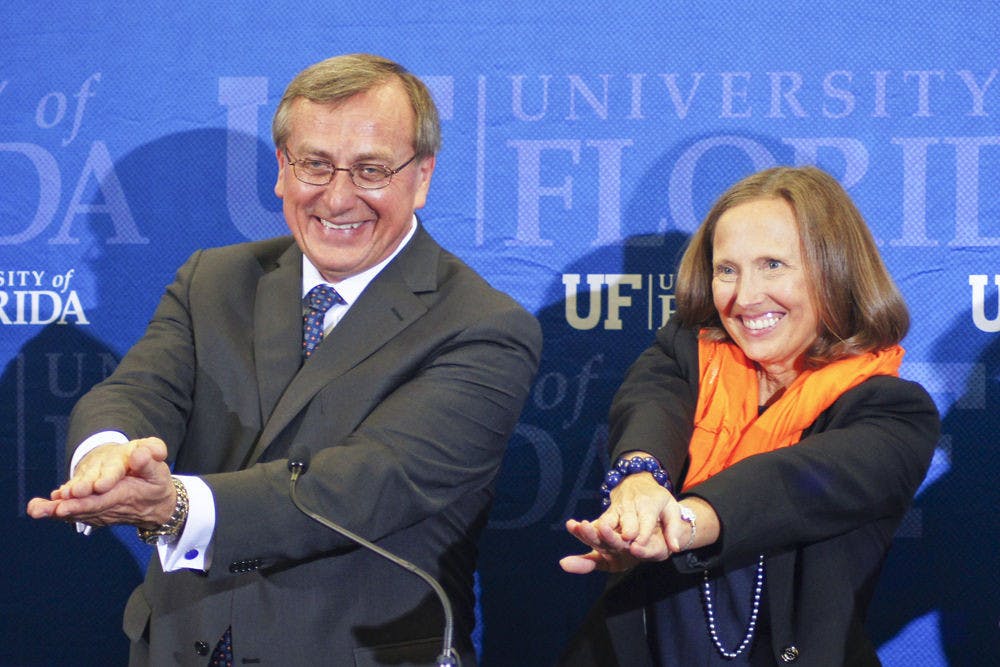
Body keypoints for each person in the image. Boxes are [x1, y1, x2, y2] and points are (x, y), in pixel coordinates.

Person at [27, 53, 541, 666]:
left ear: (422, 176)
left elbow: (365, 485)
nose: (338, 198)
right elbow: (139, 390)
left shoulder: (482, 326)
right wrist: (108, 454)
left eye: (371, 170)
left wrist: (177, 506)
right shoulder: (213, 280)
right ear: (282, 168)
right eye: (315, 165)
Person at [558, 166, 939, 665]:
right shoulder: (685, 354)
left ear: (835, 270)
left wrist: (678, 524)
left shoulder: (894, 413)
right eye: (727, 270)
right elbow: (649, 408)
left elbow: (793, 484)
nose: (745, 297)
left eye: (773, 265)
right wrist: (639, 484)